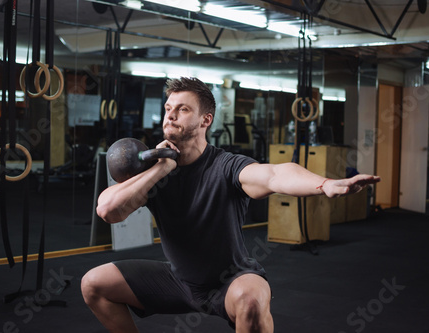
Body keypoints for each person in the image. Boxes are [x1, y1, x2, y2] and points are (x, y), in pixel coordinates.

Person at [81, 77, 380, 333]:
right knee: (93, 284)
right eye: (168, 109)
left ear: (205, 120)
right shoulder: (155, 173)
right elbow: (107, 210)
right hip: (178, 280)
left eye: (182, 110)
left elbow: (275, 173)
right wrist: (160, 169)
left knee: (251, 301)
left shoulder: (226, 166)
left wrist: (325, 184)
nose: (170, 116)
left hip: (231, 280)